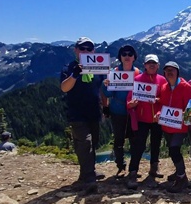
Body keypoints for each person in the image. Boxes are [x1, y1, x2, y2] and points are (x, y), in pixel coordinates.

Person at [60, 36, 104, 194]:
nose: (86, 51)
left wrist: (105, 106)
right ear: (76, 50)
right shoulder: (70, 67)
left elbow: (101, 88)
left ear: (94, 51)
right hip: (77, 114)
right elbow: (64, 88)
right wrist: (75, 75)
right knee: (85, 143)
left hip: (94, 113)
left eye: (89, 49)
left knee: (93, 144)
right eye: (82, 48)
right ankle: (89, 179)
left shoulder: (98, 68)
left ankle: (87, 172)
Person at [126, 54, 167, 189]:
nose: (152, 65)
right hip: (142, 119)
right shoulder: (137, 80)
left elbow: (165, 99)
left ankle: (154, 169)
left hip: (157, 119)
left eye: (154, 63)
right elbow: (129, 100)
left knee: (156, 144)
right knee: (139, 146)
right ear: (144, 65)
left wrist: (159, 105)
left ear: (158, 66)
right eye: (149, 63)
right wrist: (131, 104)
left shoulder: (162, 80)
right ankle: (132, 172)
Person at [101, 45, 140, 176]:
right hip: (117, 111)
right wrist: (106, 85)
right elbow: (107, 94)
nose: (127, 56)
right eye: (124, 54)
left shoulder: (138, 73)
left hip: (133, 112)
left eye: (130, 54)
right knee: (119, 140)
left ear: (134, 57)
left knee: (134, 140)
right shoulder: (114, 72)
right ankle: (121, 165)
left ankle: (133, 168)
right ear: (120, 57)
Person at [157, 61, 191, 193]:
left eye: (172, 70)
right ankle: (179, 172)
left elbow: (190, 108)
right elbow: (162, 105)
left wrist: (185, 113)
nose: (170, 73)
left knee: (174, 149)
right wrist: (158, 114)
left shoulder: (186, 87)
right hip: (167, 126)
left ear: (177, 72)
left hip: (180, 126)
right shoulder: (164, 87)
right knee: (172, 150)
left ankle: (182, 178)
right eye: (167, 71)